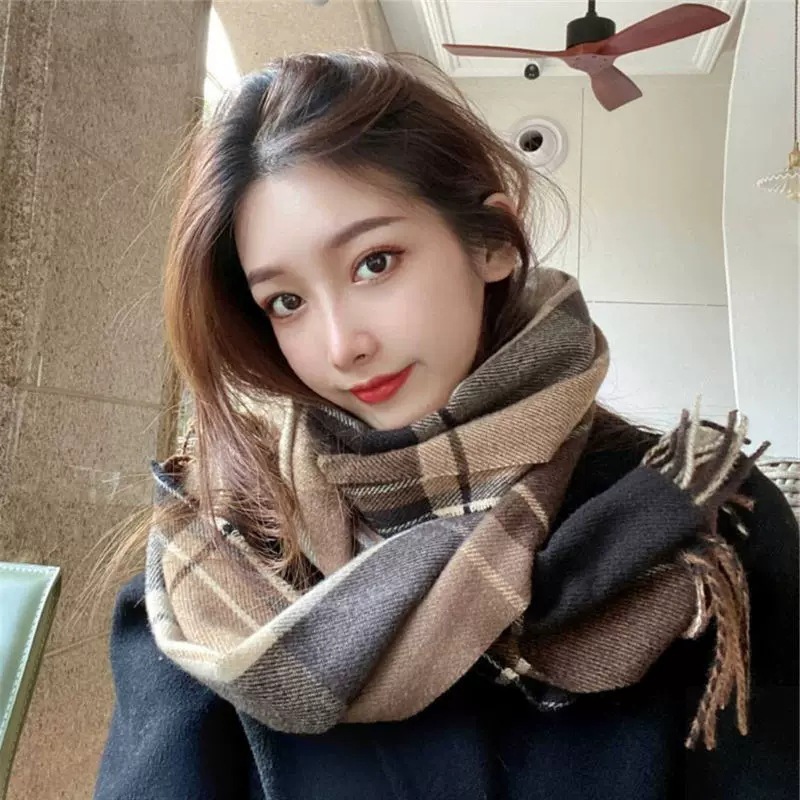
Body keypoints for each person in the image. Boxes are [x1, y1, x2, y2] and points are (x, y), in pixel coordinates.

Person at [93, 49, 798, 800]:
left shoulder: (702, 528)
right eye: (286, 302)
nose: (341, 345)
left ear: (490, 241)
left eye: (375, 262)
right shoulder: (222, 571)